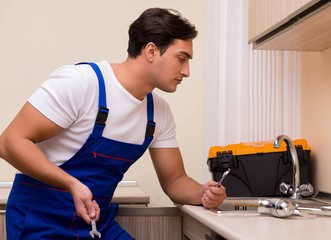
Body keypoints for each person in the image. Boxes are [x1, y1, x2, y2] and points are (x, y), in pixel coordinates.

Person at [0, 7, 226, 239]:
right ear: (151, 51)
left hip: (95, 224)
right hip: (38, 220)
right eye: (181, 59)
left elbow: (175, 180)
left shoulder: (158, 113)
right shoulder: (82, 83)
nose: (187, 71)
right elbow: (9, 142)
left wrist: (202, 193)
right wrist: (71, 183)